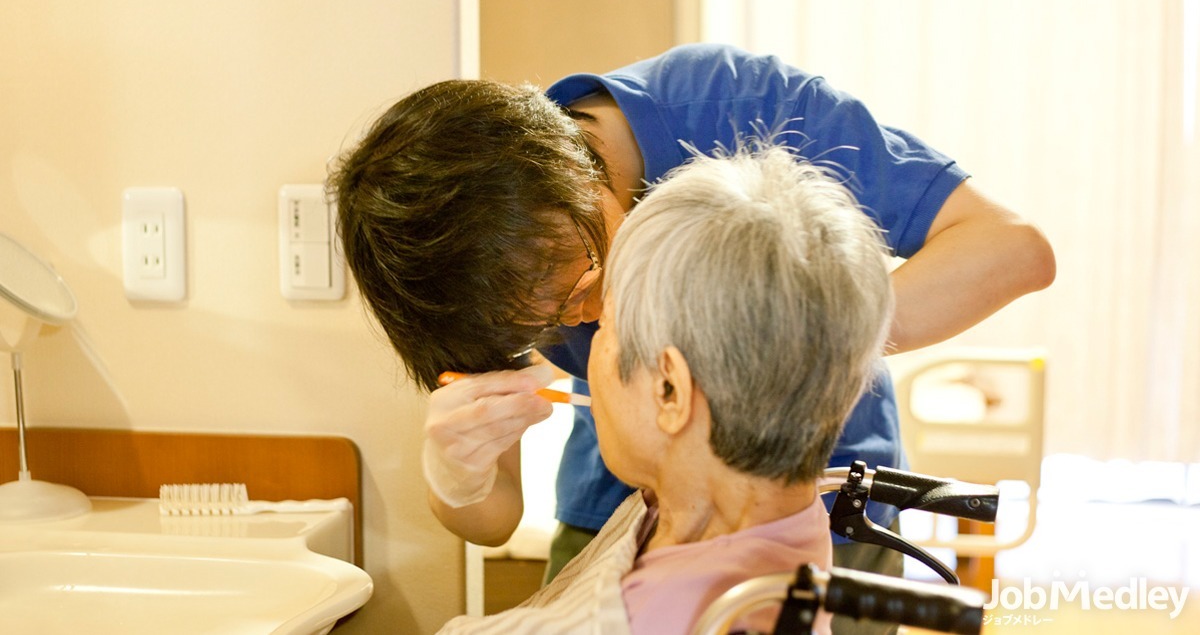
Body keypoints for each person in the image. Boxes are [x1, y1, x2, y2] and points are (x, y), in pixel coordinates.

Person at [330, 43, 1055, 622]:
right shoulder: (468, 268)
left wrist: (781, 341)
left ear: (581, 176)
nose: (585, 323)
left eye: (584, 278)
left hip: (817, 513)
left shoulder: (740, 108)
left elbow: (1010, 249)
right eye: (542, 325)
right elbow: (493, 519)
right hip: (618, 514)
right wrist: (458, 472)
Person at [438, 143, 893, 635]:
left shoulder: (654, 618)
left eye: (604, 326)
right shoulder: (784, 518)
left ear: (670, 391)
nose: (585, 350)